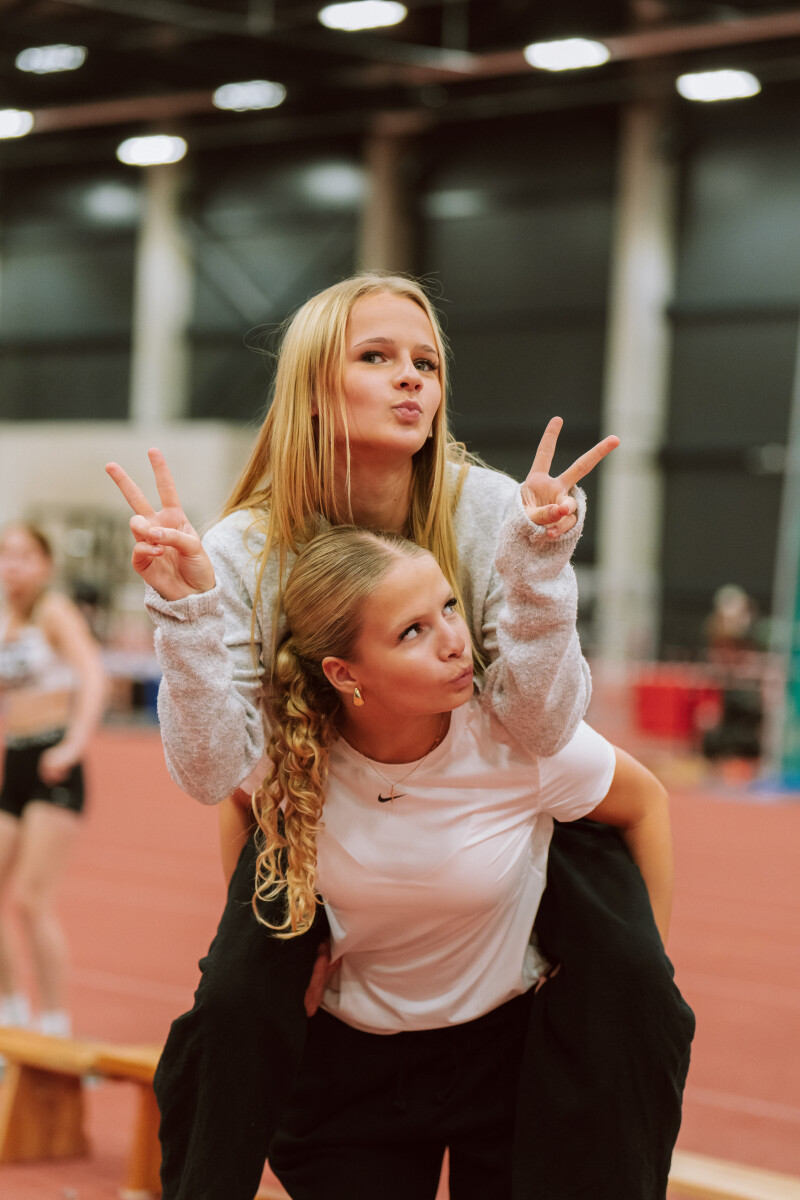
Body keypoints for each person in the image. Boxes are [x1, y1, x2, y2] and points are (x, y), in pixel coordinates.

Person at [106, 271, 693, 1200]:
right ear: (313, 388)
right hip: (309, 800)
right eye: (376, 357)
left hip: (503, 782)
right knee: (230, 1011)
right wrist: (184, 616)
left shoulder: (491, 508)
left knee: (637, 992)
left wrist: (541, 574)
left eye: (426, 362)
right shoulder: (241, 552)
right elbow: (220, 775)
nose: (411, 377)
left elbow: (541, 728)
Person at [249, 523, 672, 1199]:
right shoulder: (294, 753)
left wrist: (637, 977)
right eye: (412, 631)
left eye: (448, 607)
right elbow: (237, 808)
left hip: (508, 1059)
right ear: (344, 673)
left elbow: (645, 803)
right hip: (349, 1067)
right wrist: (277, 957)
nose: (454, 641)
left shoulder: (519, 742)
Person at [0, 523, 106, 1036]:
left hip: (54, 763)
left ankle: (55, 1024)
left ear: (44, 565)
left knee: (30, 899)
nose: (12, 565)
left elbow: (94, 676)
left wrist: (73, 745)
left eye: (24, 555)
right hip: (15, 761)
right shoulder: (6, 619)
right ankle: (11, 1015)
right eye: (6, 554)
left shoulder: (54, 612)